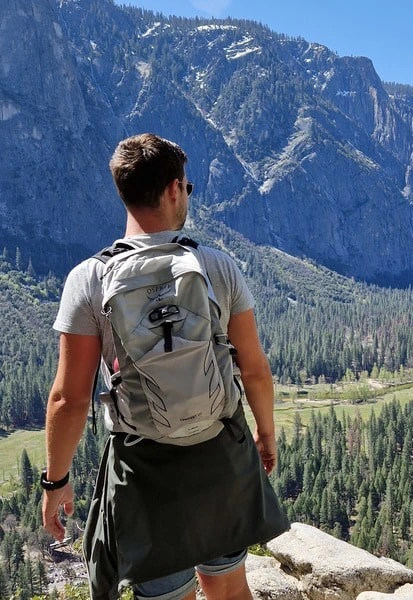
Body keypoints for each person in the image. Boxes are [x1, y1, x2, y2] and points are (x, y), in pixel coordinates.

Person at [42, 133, 284, 600]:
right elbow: (253, 369)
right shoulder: (216, 266)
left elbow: (68, 400)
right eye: (188, 189)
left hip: (143, 467)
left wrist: (56, 481)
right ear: (174, 189)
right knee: (230, 587)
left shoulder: (89, 280)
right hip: (218, 454)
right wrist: (265, 432)